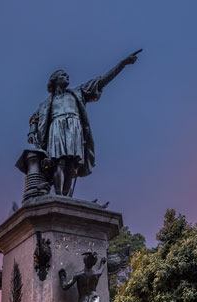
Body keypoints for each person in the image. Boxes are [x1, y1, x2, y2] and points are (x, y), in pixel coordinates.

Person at [28, 50, 141, 196]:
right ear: (55, 80)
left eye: (67, 75)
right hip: (56, 127)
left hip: (75, 126)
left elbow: (101, 82)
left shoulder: (78, 92)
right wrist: (31, 131)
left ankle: (65, 197)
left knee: (71, 164)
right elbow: (35, 118)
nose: (67, 77)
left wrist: (122, 64)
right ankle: (58, 195)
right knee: (60, 162)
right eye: (63, 75)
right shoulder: (46, 104)